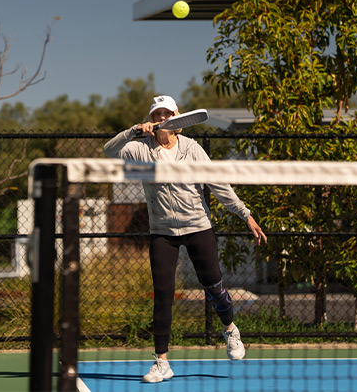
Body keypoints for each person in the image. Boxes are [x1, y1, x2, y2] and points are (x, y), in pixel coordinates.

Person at [103, 95, 268, 383]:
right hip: (162, 230)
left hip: (197, 226)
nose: (161, 118)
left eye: (167, 114)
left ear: (178, 120)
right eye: (156, 115)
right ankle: (162, 361)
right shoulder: (140, 149)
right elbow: (108, 151)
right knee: (163, 293)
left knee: (213, 285)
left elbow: (218, 184)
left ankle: (230, 329)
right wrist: (133, 130)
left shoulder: (192, 150)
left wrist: (246, 214)